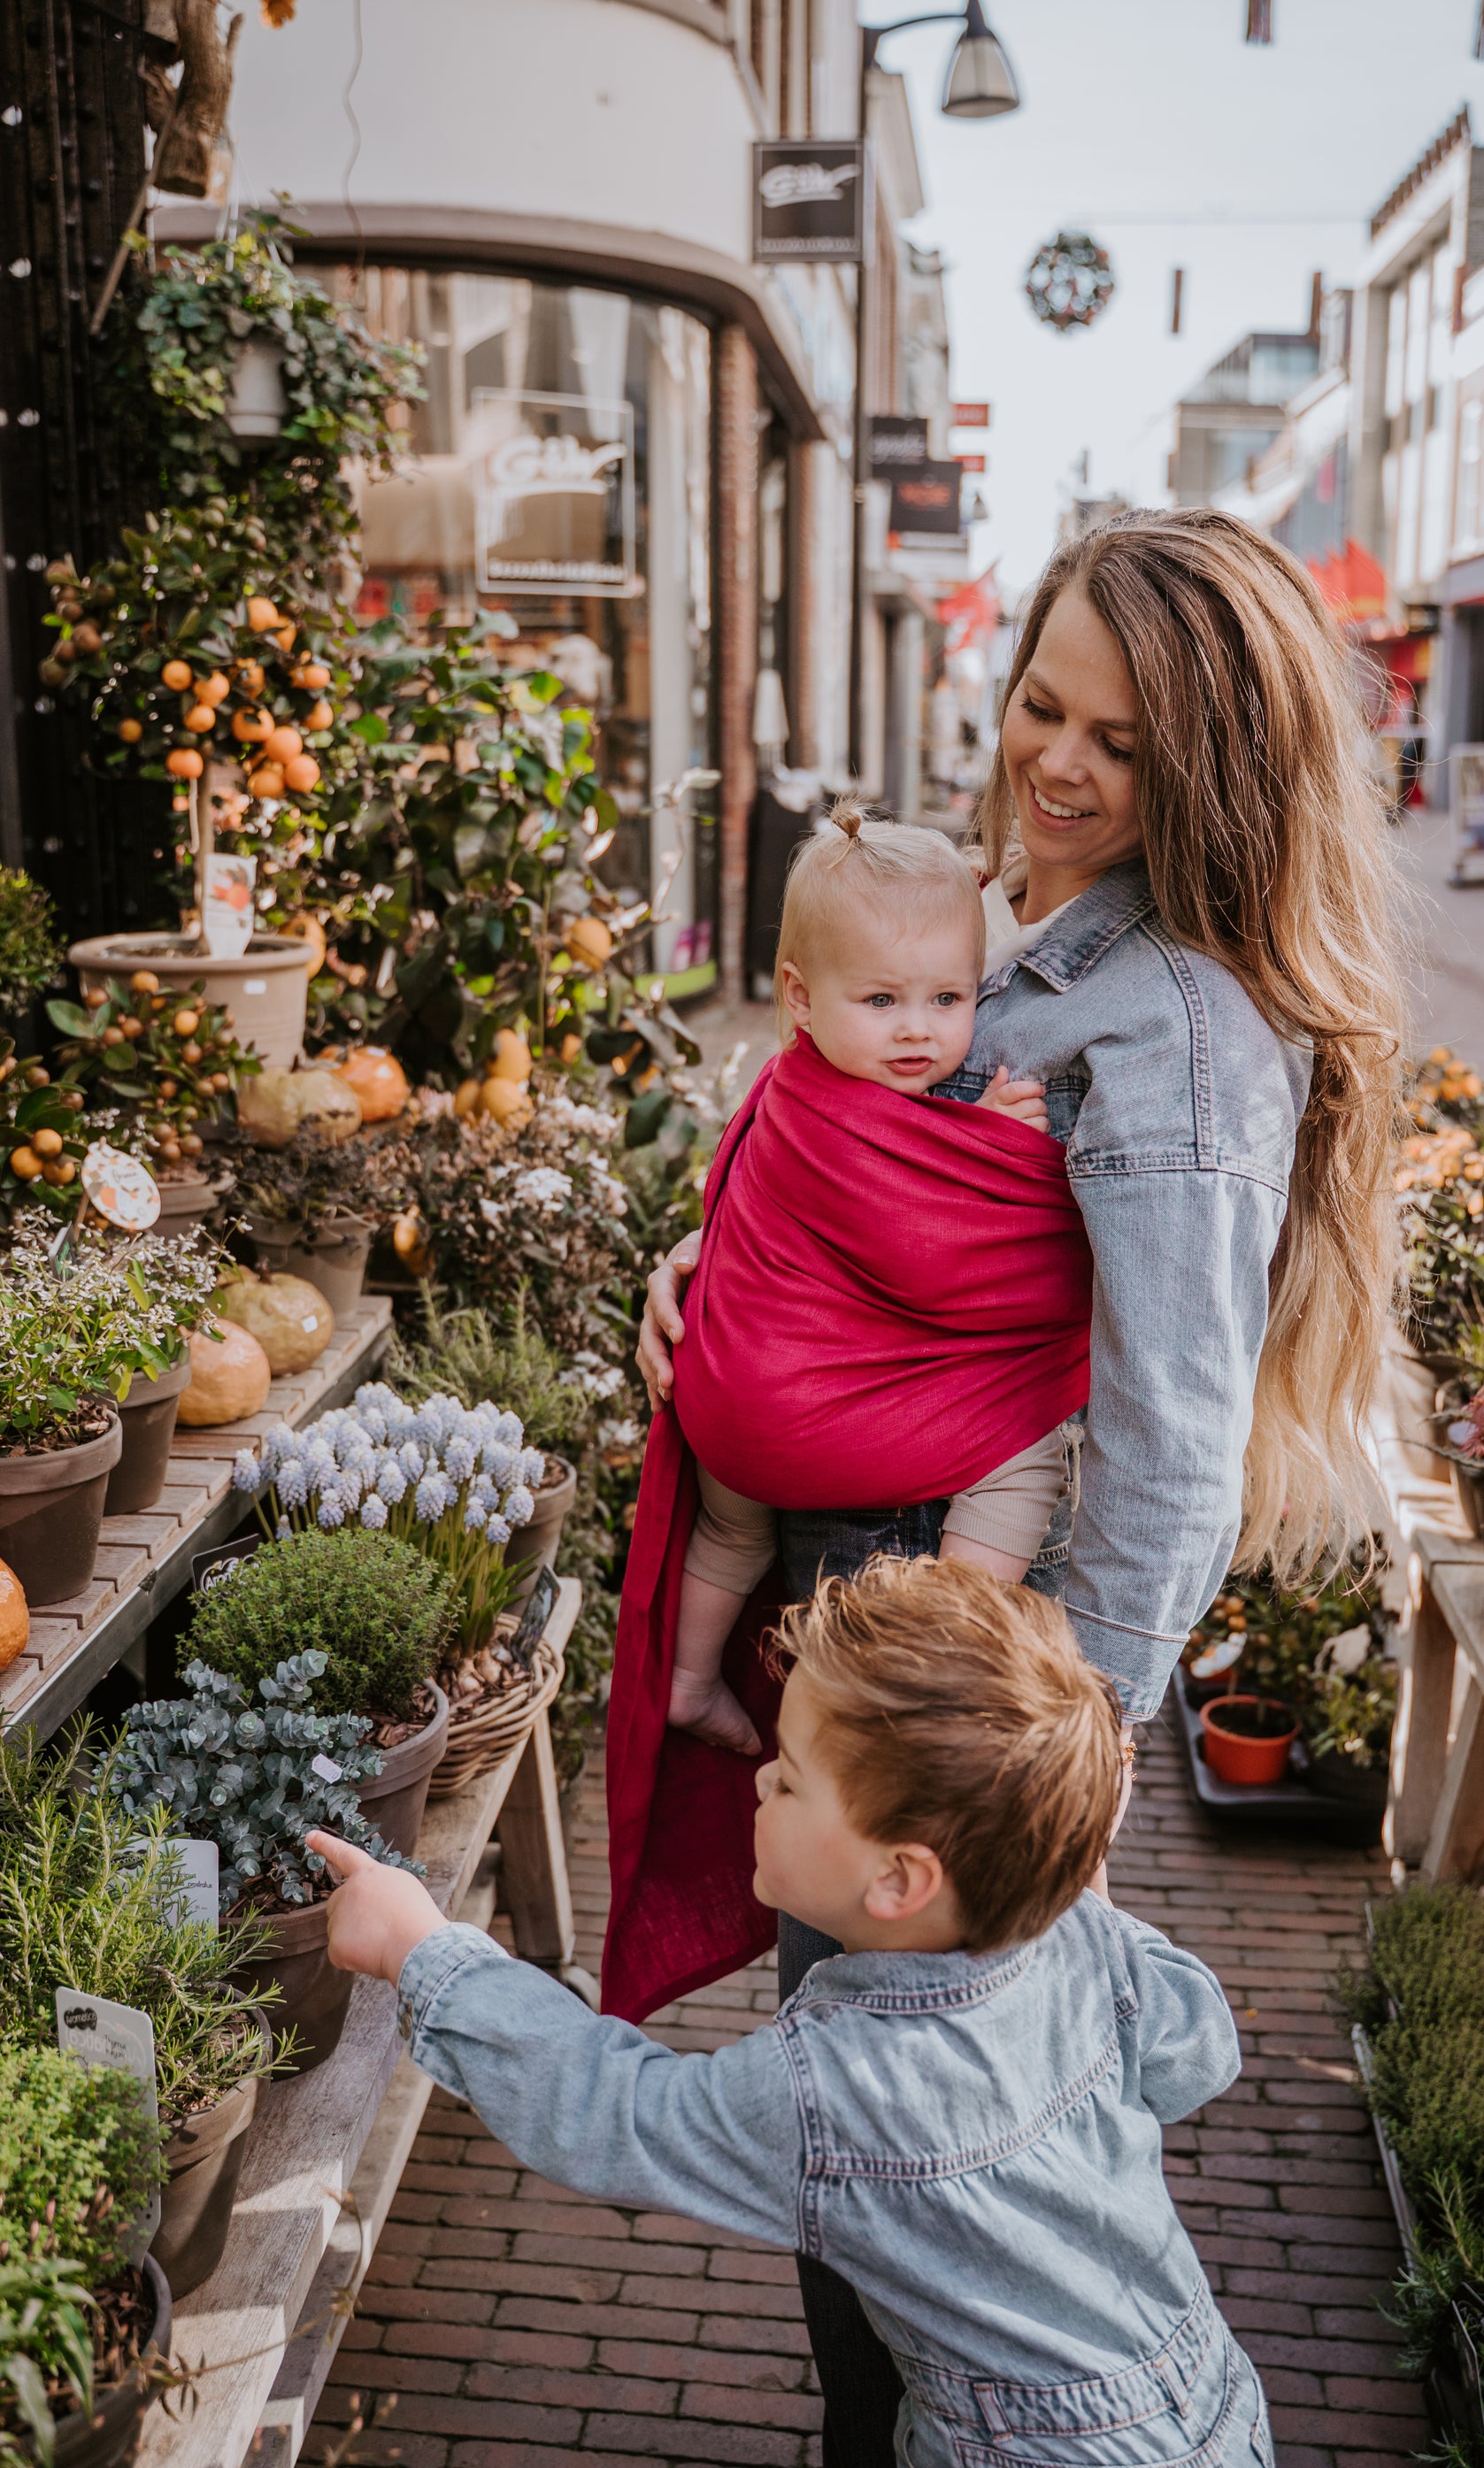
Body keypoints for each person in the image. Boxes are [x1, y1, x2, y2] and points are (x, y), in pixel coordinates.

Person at [636, 509, 1405, 2464]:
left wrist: (1026, 1778)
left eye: (1123, 745)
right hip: (860, 1580)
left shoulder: (1183, 1035)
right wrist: (723, 1287)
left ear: (1217, 768)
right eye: (1041, 705)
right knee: (856, 2176)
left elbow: (1163, 1454)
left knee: (901, 2213)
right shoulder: (1007, 926)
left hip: (953, 1635)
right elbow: (849, 1161)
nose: (1057, 764)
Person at [306, 1557, 1274, 2468]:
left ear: (898, 1879)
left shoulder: (836, 2088)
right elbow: (1198, 2051)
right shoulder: (1079, 1943)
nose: (763, 1779)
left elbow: (617, 2109)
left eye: (792, 1776)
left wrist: (422, 1951)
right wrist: (1075, 1881)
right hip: (1217, 2407)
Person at [670, 808, 1070, 1760]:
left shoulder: (783, 1090)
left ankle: (689, 1681)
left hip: (732, 1405)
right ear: (801, 998)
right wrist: (1001, 1150)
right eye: (882, 1002)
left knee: (732, 1537)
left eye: (946, 999)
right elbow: (933, 1252)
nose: (918, 1034)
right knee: (1024, 1454)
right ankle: (952, 1626)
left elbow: (735, 1211)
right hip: (808, 1423)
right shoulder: (850, 1117)